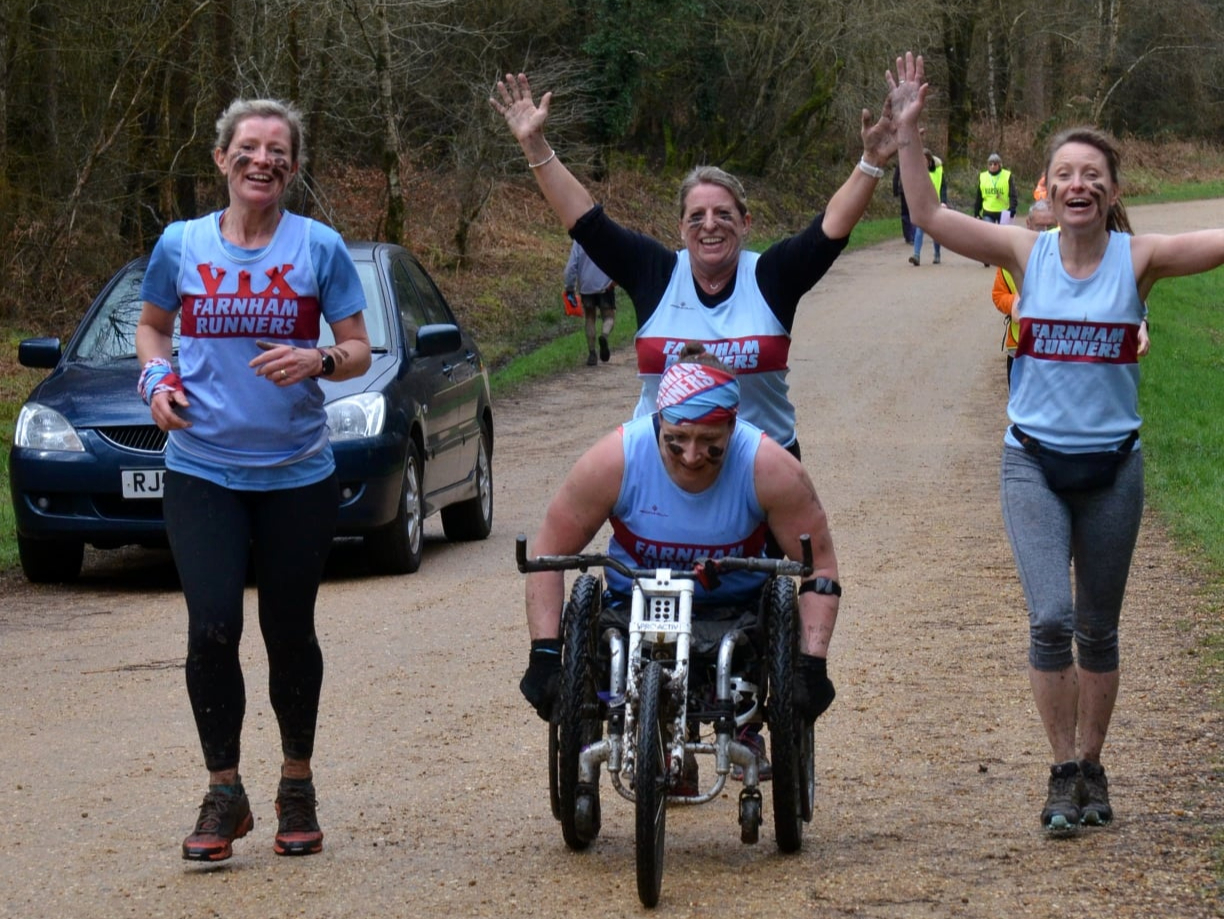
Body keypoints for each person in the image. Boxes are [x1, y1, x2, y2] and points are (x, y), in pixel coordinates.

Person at [890, 51, 1224, 832]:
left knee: (1098, 628)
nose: (1079, 185)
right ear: (1046, 187)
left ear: (1113, 191)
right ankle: (1061, 770)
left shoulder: (1140, 259)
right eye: (1066, 174)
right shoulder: (1024, 251)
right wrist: (908, 133)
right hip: (1033, 463)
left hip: (1113, 469)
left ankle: (1094, 769)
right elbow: (930, 215)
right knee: (1050, 617)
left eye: (1093, 175)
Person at [135, 98, 371, 861]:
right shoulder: (181, 243)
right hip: (201, 467)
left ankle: (296, 782)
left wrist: (318, 358)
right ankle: (224, 790)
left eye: (277, 150)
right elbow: (152, 327)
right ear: (221, 158)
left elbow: (358, 348)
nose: (262, 159)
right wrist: (156, 381)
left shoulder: (319, 247)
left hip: (297, 473)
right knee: (212, 627)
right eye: (248, 146)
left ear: (293, 167)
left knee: (288, 629)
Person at [490, 72, 898, 460]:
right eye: (697, 216)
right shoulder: (655, 271)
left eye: (724, 214)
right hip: (662, 466)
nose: (710, 225)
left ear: (746, 222)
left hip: (762, 469)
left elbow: (829, 231)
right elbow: (586, 223)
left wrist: (872, 161)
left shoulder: (771, 276)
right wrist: (535, 146)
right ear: (681, 227)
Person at [518, 344, 841, 780]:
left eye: (710, 443)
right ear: (659, 420)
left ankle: (739, 725)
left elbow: (819, 568)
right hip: (633, 603)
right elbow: (547, 555)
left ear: (732, 426)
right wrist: (544, 655)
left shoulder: (770, 469)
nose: (691, 456)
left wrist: (811, 665)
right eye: (677, 440)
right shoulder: (614, 460)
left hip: (734, 611)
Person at [994, 201, 1151, 388]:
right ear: (1028, 224)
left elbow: (1127, 295)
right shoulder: (1014, 256)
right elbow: (998, 293)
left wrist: (1141, 323)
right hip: (1020, 346)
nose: (1045, 231)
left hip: (1069, 353)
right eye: (1039, 226)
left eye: (1050, 226)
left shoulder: (1072, 256)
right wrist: (1011, 303)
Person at [564, 239, 617, 366]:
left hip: (586, 286)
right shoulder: (607, 234)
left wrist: (569, 287)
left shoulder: (579, 240)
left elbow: (571, 266)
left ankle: (592, 353)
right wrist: (616, 279)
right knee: (609, 316)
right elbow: (617, 258)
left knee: (589, 317)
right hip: (605, 285)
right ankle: (604, 335)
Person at [908, 147, 947, 266]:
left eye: (924, 159)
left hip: (936, 205)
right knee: (919, 229)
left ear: (929, 160)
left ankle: (937, 254)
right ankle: (916, 255)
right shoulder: (917, 172)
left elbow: (943, 187)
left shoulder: (939, 171)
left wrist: (943, 201)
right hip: (923, 205)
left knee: (936, 232)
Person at [974, 151, 1018, 225]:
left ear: (999, 165)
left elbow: (1013, 194)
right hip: (988, 211)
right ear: (987, 165)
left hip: (1004, 211)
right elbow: (979, 196)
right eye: (990, 164)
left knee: (1003, 232)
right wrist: (976, 211)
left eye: (995, 164)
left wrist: (1012, 208)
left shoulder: (1007, 175)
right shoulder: (983, 176)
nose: (992, 166)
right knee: (988, 231)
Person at [893, 165, 915, 244]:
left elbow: (895, 178)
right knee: (911, 213)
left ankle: (908, 236)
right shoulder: (914, 163)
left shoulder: (901, 163)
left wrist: (895, 191)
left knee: (905, 214)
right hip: (912, 190)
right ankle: (912, 235)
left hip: (904, 191)